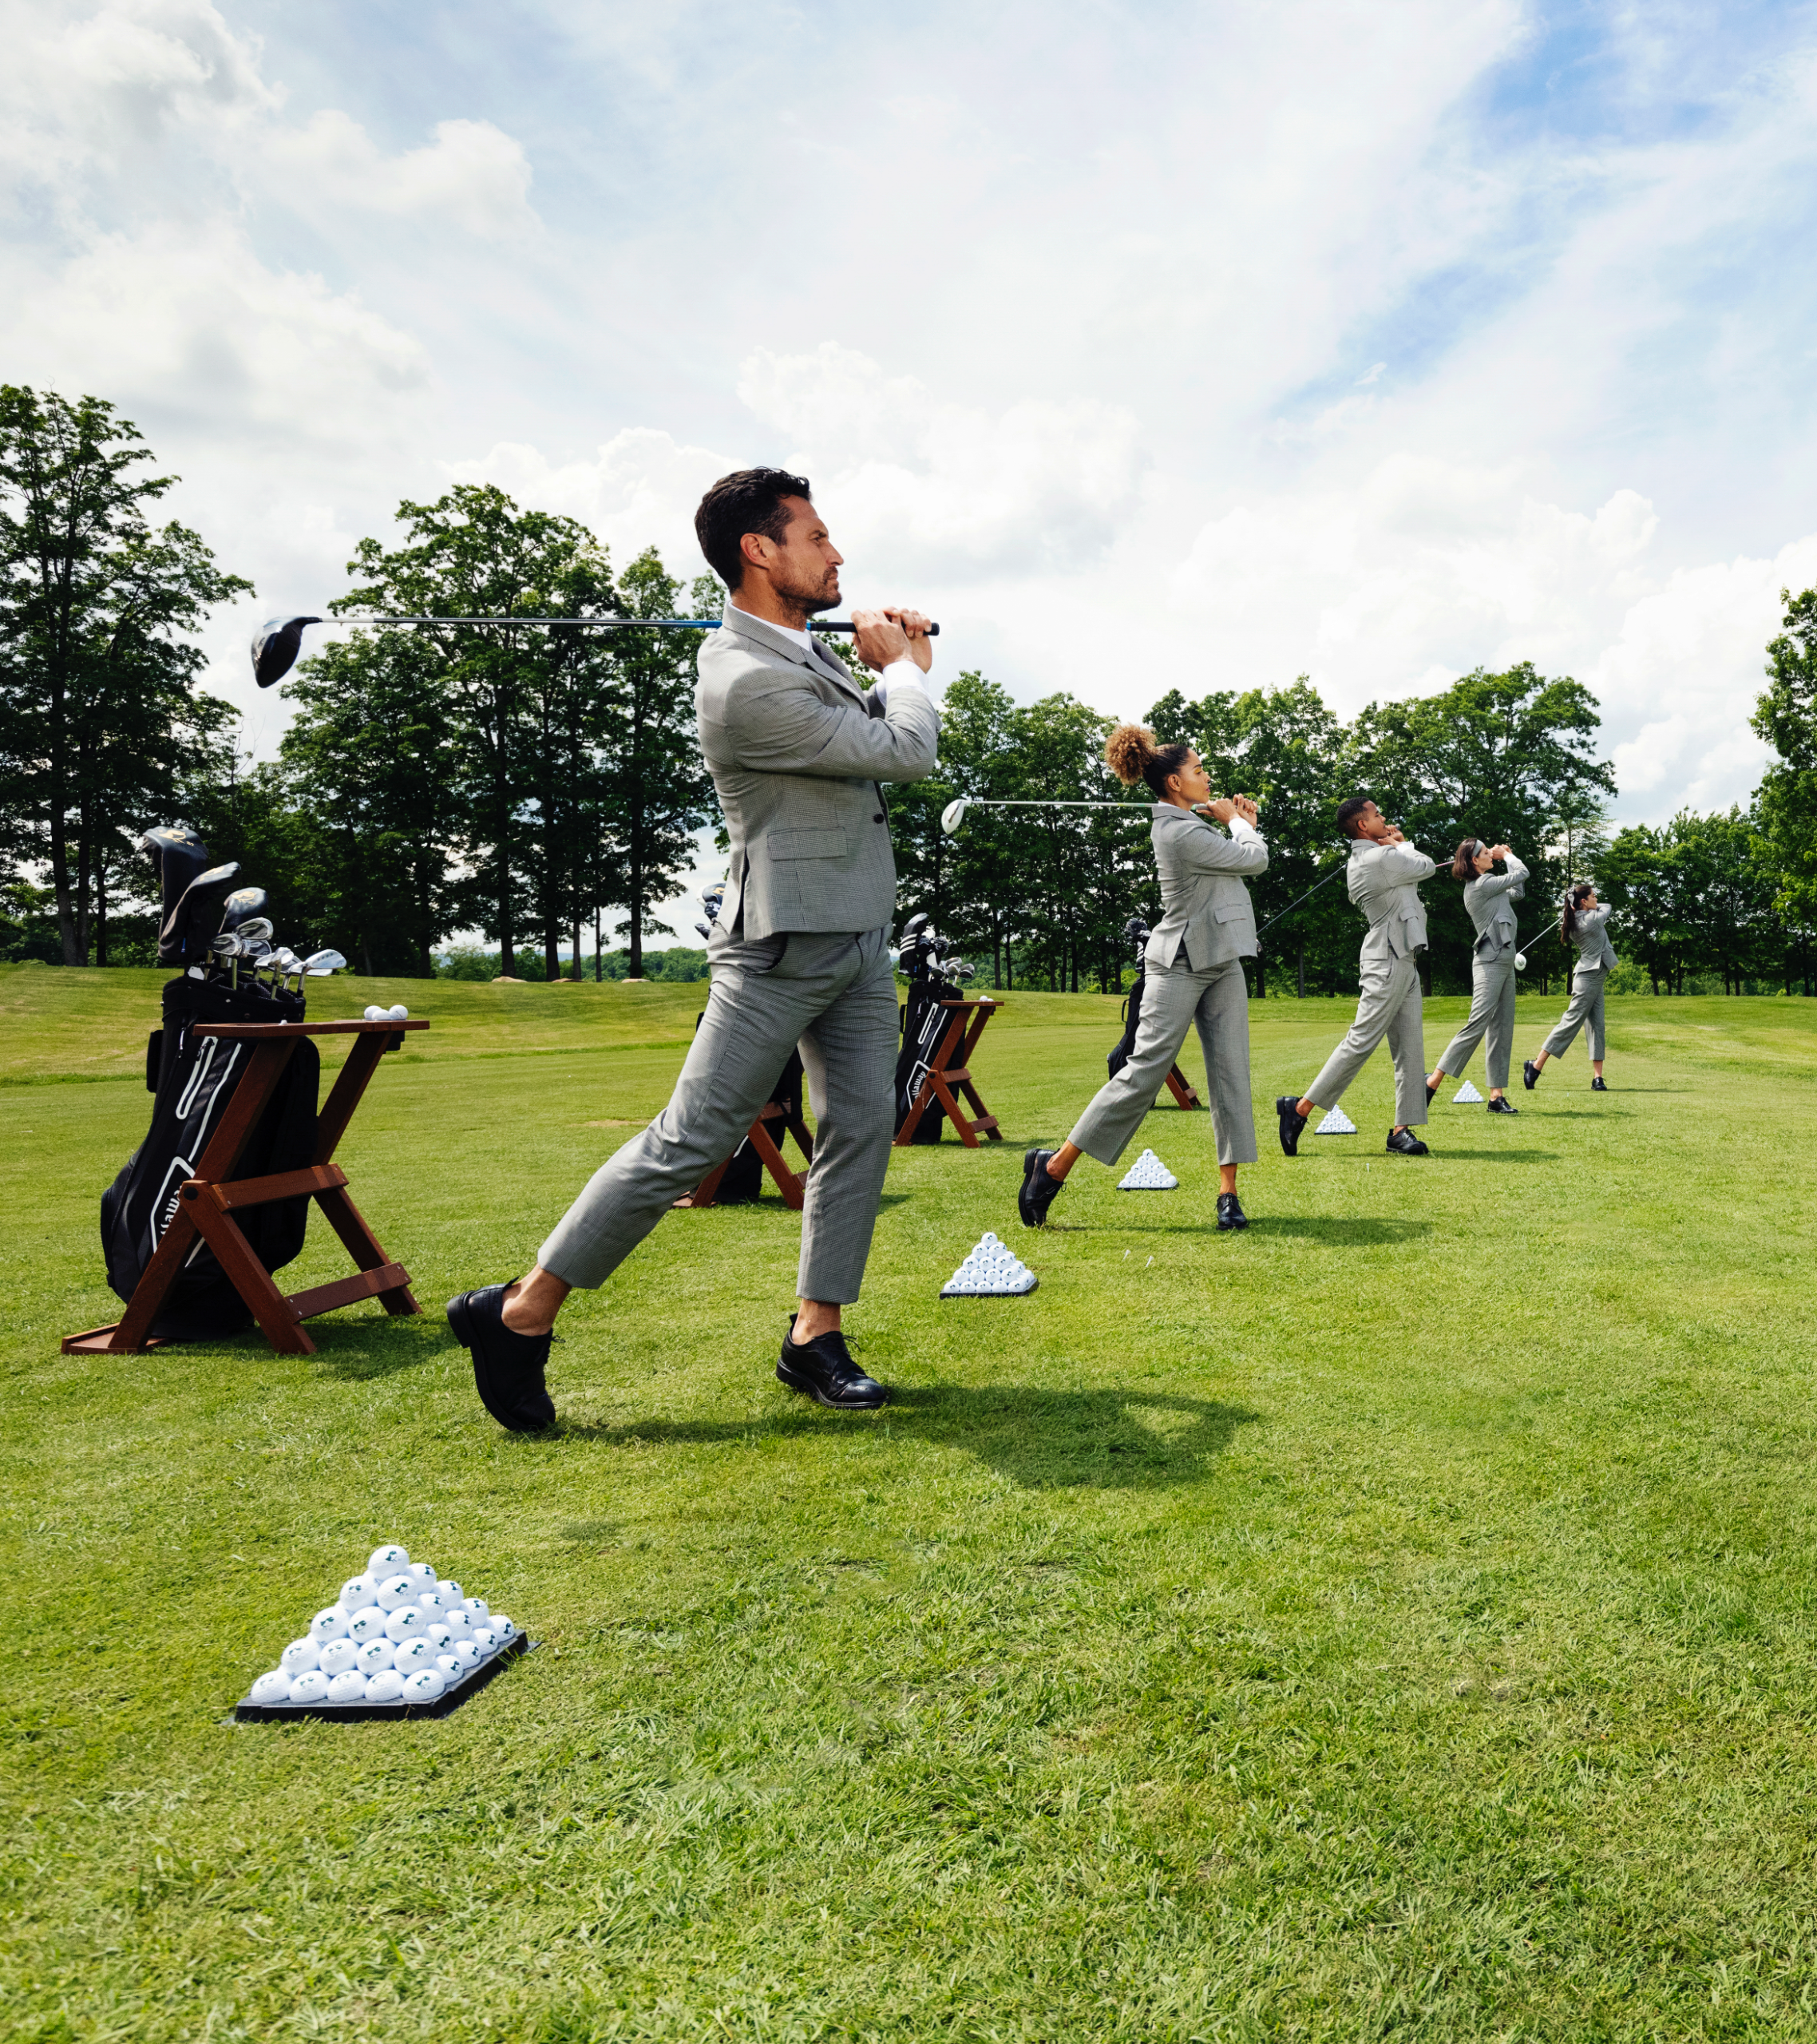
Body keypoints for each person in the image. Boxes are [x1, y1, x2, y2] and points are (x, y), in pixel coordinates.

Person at [446, 468, 940, 1428]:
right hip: (775, 948)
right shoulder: (743, 678)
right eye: (817, 536)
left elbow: (869, 737)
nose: (837, 554)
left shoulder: (801, 657)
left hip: (856, 937)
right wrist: (905, 672)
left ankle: (814, 1335)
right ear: (760, 551)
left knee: (859, 1132)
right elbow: (900, 751)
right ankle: (519, 1314)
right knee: (690, 1141)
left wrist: (889, 668)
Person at [1018, 727, 1267, 1231]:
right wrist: (1240, 825)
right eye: (1199, 770)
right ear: (1175, 782)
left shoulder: (1194, 827)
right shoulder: (1179, 832)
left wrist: (1241, 824)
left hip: (1222, 960)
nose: (1208, 776)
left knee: (1231, 1074)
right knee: (1143, 1071)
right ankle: (1052, 1166)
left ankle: (1228, 1194)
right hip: (1178, 963)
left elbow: (1233, 869)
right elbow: (1254, 860)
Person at [1276, 796, 1435, 1157]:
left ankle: (1401, 1130)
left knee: (1410, 1048)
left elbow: (1409, 879)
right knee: (1361, 1040)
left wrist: (1393, 845)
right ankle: (1298, 1109)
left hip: (1404, 957)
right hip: (1387, 960)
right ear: (1363, 825)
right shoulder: (1380, 858)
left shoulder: (1377, 857)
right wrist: (1401, 843)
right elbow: (1425, 866)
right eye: (1378, 814)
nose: (1384, 818)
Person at [1425, 838, 1528, 1114]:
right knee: (1477, 1024)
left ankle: (1496, 1097)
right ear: (1474, 861)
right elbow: (1522, 873)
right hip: (1490, 961)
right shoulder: (1482, 885)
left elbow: (1517, 891)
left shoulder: (1491, 886)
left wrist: (1507, 856)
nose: (1490, 855)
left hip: (1504, 959)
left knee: (1501, 1028)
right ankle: (1431, 1082)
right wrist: (1507, 854)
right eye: (1485, 853)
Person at [1524, 881, 1615, 1091]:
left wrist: (1573, 905)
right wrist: (1576, 905)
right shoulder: (1591, 920)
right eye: (1593, 896)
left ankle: (1597, 1078)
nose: (1597, 899)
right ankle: (1535, 1066)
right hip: (1588, 978)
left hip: (1596, 975)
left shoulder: (1575, 920)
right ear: (1584, 901)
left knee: (1597, 1026)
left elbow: (1599, 906)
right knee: (1570, 1023)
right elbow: (1608, 907)